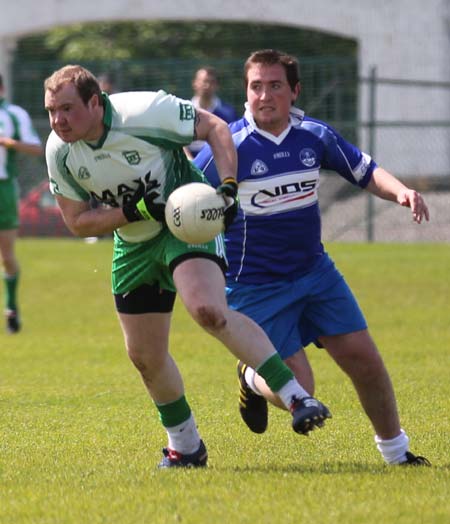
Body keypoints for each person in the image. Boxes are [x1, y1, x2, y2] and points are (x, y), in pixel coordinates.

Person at [43, 65, 331, 469]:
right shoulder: (59, 149)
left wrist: (227, 188)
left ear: (95, 102)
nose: (59, 121)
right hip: (133, 242)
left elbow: (215, 127)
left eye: (68, 109)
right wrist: (135, 210)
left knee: (208, 310)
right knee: (144, 355)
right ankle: (186, 446)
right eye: (52, 111)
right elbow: (78, 222)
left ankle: (296, 396)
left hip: (187, 221)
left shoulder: (143, 112)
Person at [194, 49, 431, 466]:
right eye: (255, 86)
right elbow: (187, 200)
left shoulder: (314, 136)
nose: (264, 95)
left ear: (294, 91)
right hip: (254, 288)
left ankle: (397, 455)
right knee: (302, 389)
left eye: (275, 86)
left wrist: (401, 192)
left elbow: (364, 169)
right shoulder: (227, 147)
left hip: (315, 274)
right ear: (245, 93)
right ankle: (251, 375)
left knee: (365, 359)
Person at [0, 73, 44, 333]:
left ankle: (12, 308)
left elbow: (37, 148)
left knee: (7, 256)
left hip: (4, 188)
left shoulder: (14, 114)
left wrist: (9, 142)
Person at [185, 66, 238, 159]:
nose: (207, 85)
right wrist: (190, 163)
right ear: (194, 83)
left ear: (217, 86)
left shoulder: (228, 113)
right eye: (204, 81)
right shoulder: (185, 111)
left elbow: (233, 142)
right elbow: (178, 141)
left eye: (211, 82)